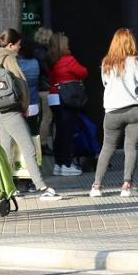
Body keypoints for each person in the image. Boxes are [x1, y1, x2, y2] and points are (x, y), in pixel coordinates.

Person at [0, 28, 60, 201]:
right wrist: (25, 105)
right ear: (11, 45)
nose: (19, 49)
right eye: (18, 45)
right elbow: (21, 83)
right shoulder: (9, 58)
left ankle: (6, 189)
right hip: (11, 112)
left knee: (5, 150)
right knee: (28, 148)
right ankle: (42, 187)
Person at [90, 28, 138, 198]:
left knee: (107, 147)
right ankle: (126, 186)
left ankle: (96, 186)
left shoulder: (106, 62)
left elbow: (105, 83)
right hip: (135, 109)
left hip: (112, 111)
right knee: (131, 147)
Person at [47, 32, 88, 176]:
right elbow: (83, 72)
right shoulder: (68, 59)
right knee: (68, 133)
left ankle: (58, 164)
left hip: (53, 97)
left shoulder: (51, 59)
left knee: (59, 132)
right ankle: (67, 164)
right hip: (66, 98)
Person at [33, 27, 56, 155]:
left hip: (36, 88)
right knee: (47, 118)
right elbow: (49, 71)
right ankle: (43, 144)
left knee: (38, 118)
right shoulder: (46, 53)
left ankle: (37, 144)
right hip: (46, 89)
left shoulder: (34, 51)